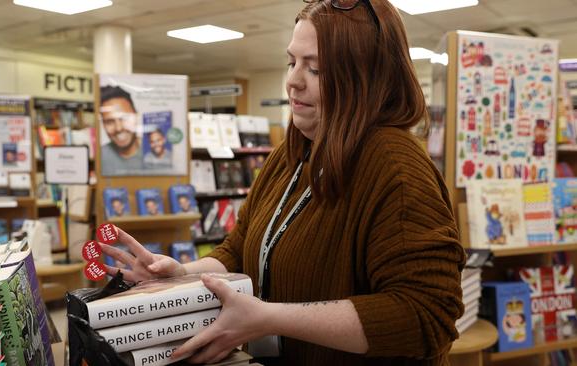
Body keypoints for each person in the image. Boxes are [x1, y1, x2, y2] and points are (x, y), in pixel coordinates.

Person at [99, 1, 464, 365]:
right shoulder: (293, 153)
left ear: (365, 79)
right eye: (293, 62)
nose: (293, 80)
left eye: (317, 69)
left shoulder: (395, 166)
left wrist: (267, 318)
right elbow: (241, 249)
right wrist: (181, 275)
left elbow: (426, 314)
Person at [99, 86, 145, 176]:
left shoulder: (154, 152)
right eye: (109, 121)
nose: (119, 128)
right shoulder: (100, 156)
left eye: (125, 118)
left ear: (137, 116)